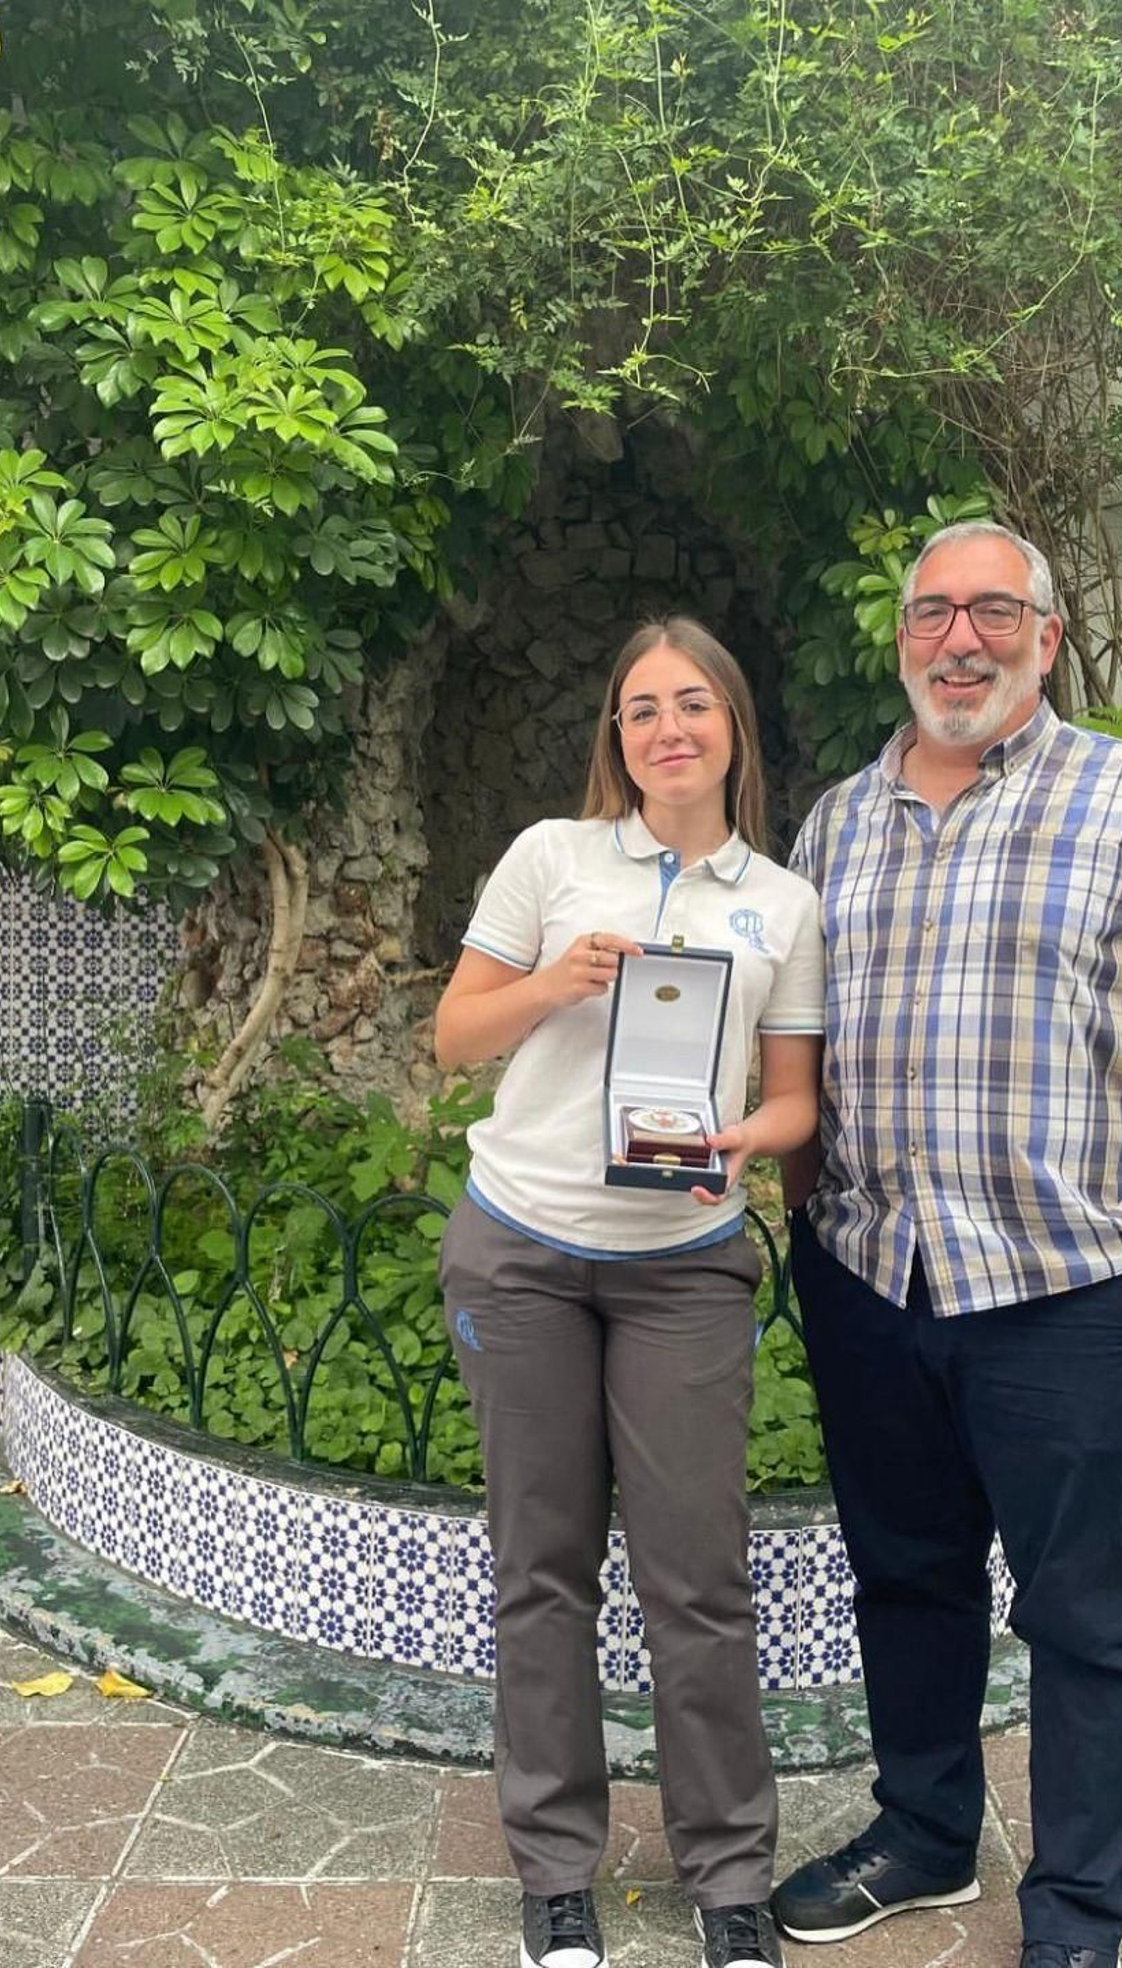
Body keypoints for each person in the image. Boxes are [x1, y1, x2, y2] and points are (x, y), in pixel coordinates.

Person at [770, 522, 1122, 1968]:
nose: (961, 639)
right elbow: (798, 1039)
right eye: (932, 612)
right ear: (902, 641)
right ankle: (927, 1835)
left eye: (996, 611)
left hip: (1066, 1288)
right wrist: (811, 1222)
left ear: (1047, 640)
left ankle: (1074, 1915)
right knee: (908, 1578)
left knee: (1086, 1617)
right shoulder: (836, 822)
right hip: (877, 1276)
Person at [434, 617, 824, 1968]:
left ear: (731, 729)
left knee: (699, 1580)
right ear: (618, 736)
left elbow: (791, 1100)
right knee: (540, 1571)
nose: (668, 728)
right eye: (643, 708)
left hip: (684, 1267)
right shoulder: (553, 858)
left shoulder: (781, 902)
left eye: (693, 706)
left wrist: (748, 1141)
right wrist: (551, 983)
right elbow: (453, 1034)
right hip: (525, 1247)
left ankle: (728, 1878)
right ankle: (555, 1869)